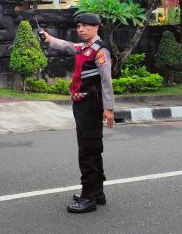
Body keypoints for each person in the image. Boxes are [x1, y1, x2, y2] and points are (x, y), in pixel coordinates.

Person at [40, 13, 115, 214]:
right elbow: (67, 46)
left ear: (96, 27)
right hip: (83, 103)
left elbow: (106, 81)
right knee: (92, 148)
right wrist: (49, 38)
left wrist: (109, 108)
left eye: (86, 26)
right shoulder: (85, 47)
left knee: (87, 150)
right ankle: (97, 192)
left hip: (91, 104)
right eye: (79, 26)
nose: (81, 30)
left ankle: (88, 197)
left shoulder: (100, 51)